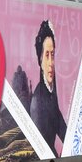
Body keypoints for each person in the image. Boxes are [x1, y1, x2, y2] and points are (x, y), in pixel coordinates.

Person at [29, 20, 66, 152]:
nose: (51, 63)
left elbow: (57, 119)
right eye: (46, 55)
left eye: (53, 55)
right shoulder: (37, 104)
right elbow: (43, 151)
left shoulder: (51, 85)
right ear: (40, 60)